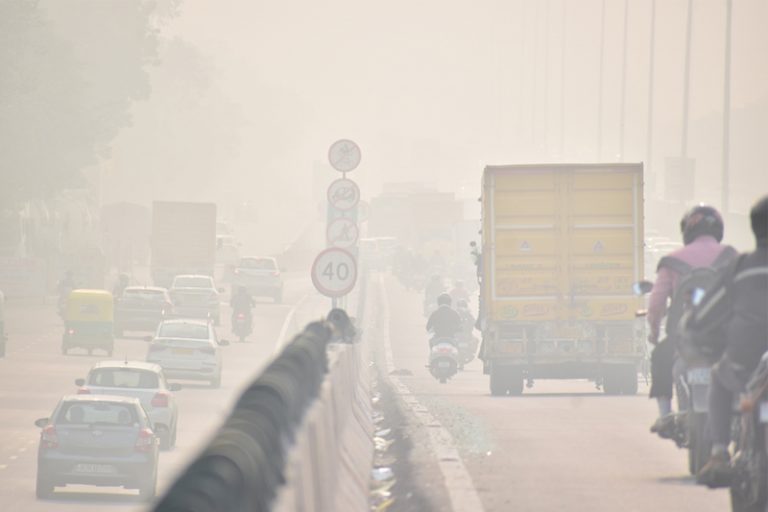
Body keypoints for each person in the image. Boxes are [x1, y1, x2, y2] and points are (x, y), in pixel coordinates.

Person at [691, 196, 768, 486]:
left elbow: (704, 315)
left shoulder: (740, 267)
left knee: (718, 379)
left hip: (743, 362)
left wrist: (696, 333)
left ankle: (719, 451)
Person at [647, 205, 737, 434]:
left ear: (687, 231)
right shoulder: (731, 256)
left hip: (683, 338)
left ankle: (665, 416)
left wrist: (654, 332)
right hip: (724, 337)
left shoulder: (672, 261)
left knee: (660, 357)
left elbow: (656, 304)